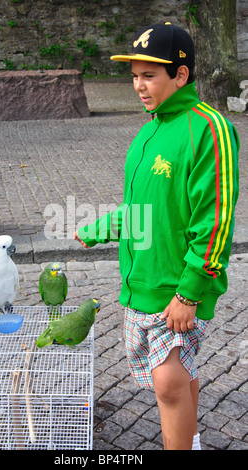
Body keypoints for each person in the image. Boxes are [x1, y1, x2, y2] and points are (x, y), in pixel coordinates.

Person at [73, 23, 239, 450]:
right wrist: (96, 229)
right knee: (177, 377)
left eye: (149, 75)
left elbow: (216, 219)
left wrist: (189, 294)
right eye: (134, 76)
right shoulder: (147, 132)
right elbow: (141, 210)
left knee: (167, 383)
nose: (138, 86)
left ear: (180, 76)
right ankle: (194, 439)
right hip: (140, 281)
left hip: (176, 287)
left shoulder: (209, 128)